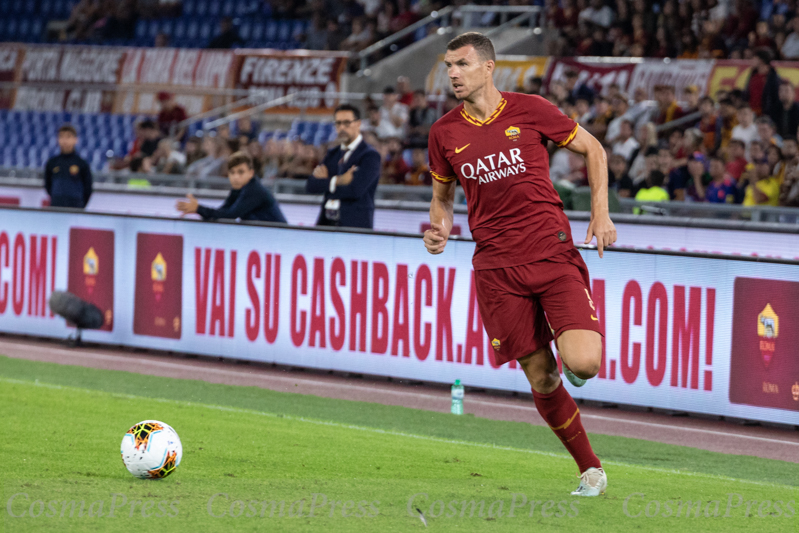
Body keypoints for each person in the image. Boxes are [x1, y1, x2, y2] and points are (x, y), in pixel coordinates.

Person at [424, 32, 614, 497]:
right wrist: (440, 229)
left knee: (584, 364)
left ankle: (572, 358)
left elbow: (594, 149)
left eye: (462, 64)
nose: (452, 73)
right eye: (448, 65)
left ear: (489, 67)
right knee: (541, 375)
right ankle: (590, 469)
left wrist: (601, 213)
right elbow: (442, 199)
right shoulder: (444, 132)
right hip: (497, 269)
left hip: (550, 251)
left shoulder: (530, 109)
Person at [307, 104, 381, 229]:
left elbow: (355, 190)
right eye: (338, 123)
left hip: (355, 227)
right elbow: (311, 185)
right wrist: (338, 180)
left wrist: (326, 184)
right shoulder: (332, 154)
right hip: (326, 226)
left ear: (358, 124)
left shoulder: (370, 156)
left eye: (347, 123)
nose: (342, 128)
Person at [176, 151, 287, 223]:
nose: (235, 177)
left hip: (279, 240)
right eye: (232, 173)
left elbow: (229, 216)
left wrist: (199, 209)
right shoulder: (238, 188)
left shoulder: (253, 190)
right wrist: (198, 210)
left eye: (240, 172)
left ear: (251, 173)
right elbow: (223, 212)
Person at [44, 124, 93, 209]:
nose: (64, 140)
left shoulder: (81, 163)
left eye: (68, 137)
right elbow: (48, 185)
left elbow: (88, 188)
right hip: (56, 206)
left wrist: (80, 204)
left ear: (75, 140)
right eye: (61, 137)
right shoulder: (52, 162)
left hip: (76, 207)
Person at [745, 49, 781, 119]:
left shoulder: (772, 77)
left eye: (754, 59)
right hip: (751, 113)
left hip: (766, 114)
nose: (751, 61)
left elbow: (774, 97)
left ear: (760, 60)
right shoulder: (753, 75)